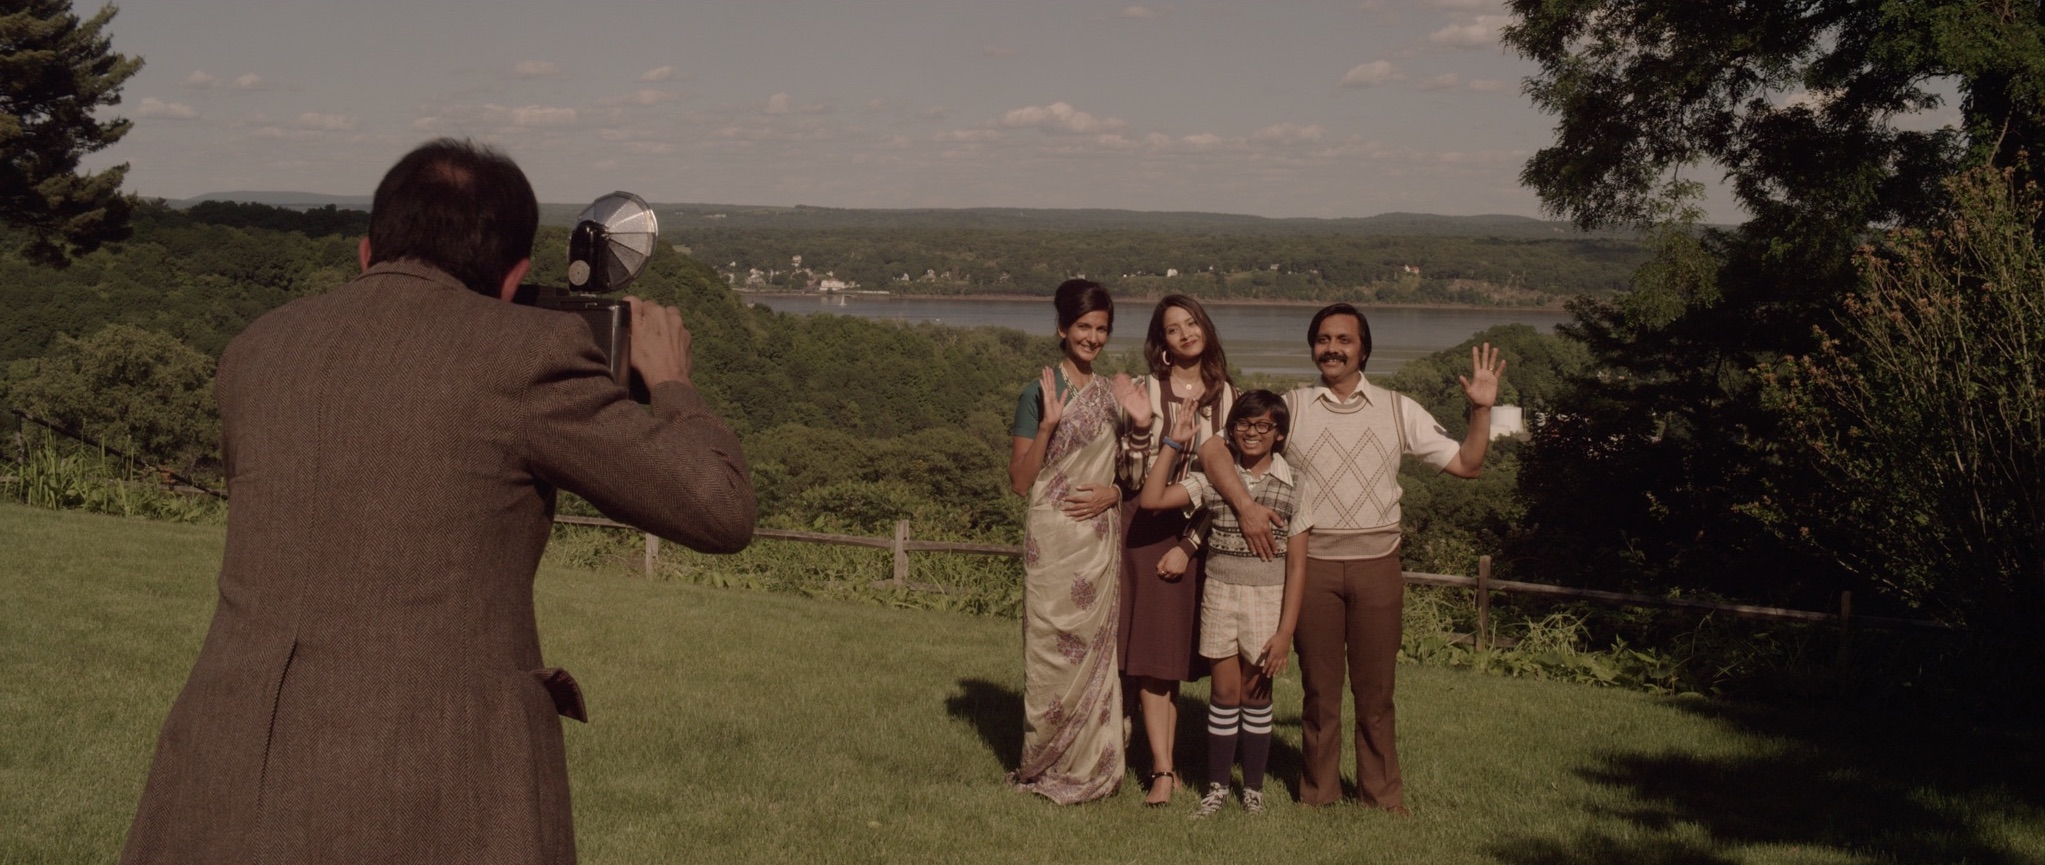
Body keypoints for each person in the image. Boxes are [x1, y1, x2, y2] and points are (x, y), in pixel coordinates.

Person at [121, 139, 756, 864]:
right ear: (514, 277)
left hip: (217, 775)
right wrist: (672, 383)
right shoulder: (525, 355)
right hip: (429, 789)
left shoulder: (254, 350)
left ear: (367, 252)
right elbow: (719, 506)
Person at [1196, 303, 1502, 815]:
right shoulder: (1292, 407)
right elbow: (1214, 449)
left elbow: (1468, 465)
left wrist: (1482, 409)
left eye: (1344, 340)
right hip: (1312, 565)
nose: (1332, 348)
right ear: (1313, 347)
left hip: (1378, 563)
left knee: (1376, 692)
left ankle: (1382, 797)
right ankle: (1318, 795)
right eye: (1323, 339)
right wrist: (1245, 505)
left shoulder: (1397, 408)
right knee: (1319, 692)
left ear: (1364, 349)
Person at [1005, 279, 1152, 804]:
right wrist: (1047, 424)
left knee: (1096, 651)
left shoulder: (1116, 393)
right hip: (1051, 539)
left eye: (1102, 329)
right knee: (1049, 650)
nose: (1093, 337)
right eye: (1084, 326)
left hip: (1097, 539)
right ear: (1062, 328)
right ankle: (1043, 760)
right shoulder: (1037, 392)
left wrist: (1138, 428)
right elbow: (1021, 481)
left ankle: (1094, 765)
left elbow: (1133, 477)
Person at [1138, 390, 1308, 817]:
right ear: (1231, 430)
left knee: (1256, 693)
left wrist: (1286, 632)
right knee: (1225, 692)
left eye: (1263, 426)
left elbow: (1298, 567)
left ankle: (1252, 789)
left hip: (1267, 599)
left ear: (1279, 434)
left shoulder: (1296, 484)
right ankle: (1216, 787)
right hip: (1220, 594)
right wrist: (1174, 442)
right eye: (1243, 424)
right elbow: (1152, 499)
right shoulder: (1215, 477)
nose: (1252, 433)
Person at [1115, 295, 1236, 806]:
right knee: (1149, 657)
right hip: (1143, 530)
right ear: (1160, 343)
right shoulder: (1145, 390)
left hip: (1194, 534)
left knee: (1171, 656)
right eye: (1172, 329)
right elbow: (1129, 477)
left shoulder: (1228, 395)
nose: (1185, 333)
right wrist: (1143, 431)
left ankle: (1151, 758)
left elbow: (1227, 483)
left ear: (1205, 328)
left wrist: (1190, 545)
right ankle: (1163, 770)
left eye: (1191, 323)